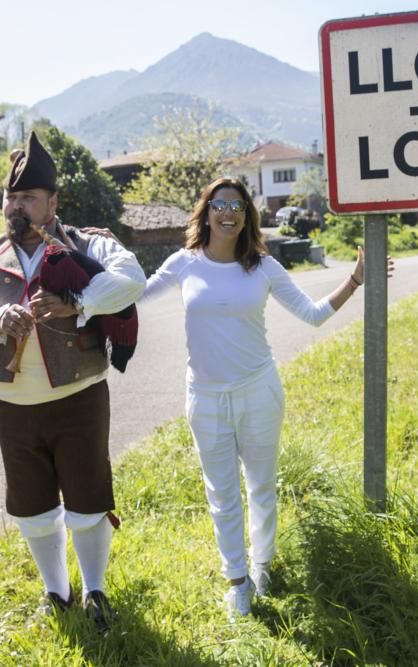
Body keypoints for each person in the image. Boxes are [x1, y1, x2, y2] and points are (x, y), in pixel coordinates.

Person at [142, 177, 391, 621]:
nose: (228, 213)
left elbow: (312, 316)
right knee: (221, 493)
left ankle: (262, 567)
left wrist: (355, 280)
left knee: (260, 486)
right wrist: (98, 262)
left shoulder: (264, 267)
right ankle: (237, 582)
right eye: (219, 204)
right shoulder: (184, 263)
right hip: (205, 395)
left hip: (258, 390)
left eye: (237, 206)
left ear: (247, 217)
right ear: (206, 212)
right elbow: (135, 296)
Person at [0, 132, 146, 633]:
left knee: (87, 497)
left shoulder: (87, 242)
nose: (17, 204)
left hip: (78, 399)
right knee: (31, 504)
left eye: (28, 196)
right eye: (11, 196)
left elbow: (131, 277)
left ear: (53, 202)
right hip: (12, 405)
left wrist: (80, 303)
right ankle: (58, 590)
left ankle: (95, 589)